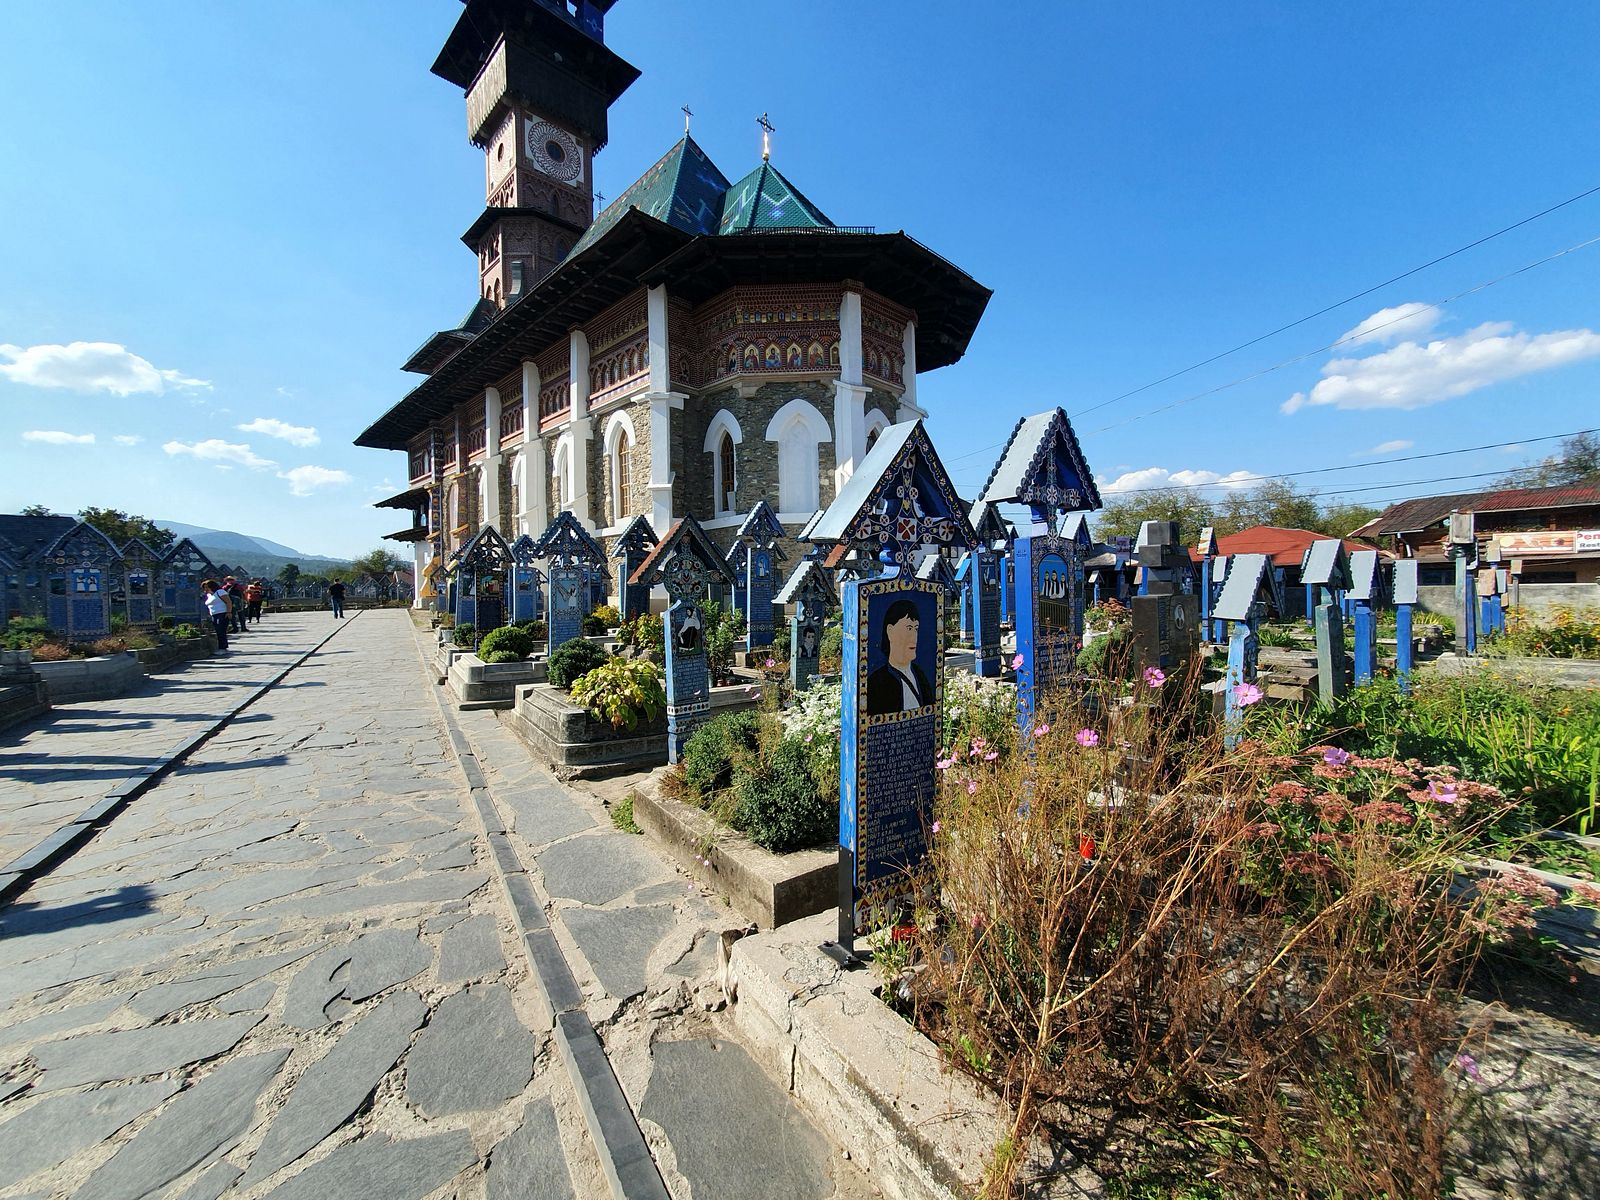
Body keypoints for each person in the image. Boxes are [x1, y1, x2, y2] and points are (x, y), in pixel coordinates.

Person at [866, 598, 932, 715]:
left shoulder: (921, 676)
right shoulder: (876, 683)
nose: (914, 637)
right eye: (909, 628)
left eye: (916, 629)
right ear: (890, 631)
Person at [202, 579, 230, 651]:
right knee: (218, 631)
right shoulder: (209, 595)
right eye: (204, 587)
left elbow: (228, 602)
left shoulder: (220, 592)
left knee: (221, 631)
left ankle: (223, 648)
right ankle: (221, 647)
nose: (206, 589)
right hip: (214, 614)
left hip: (222, 613)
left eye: (207, 587)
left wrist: (229, 612)